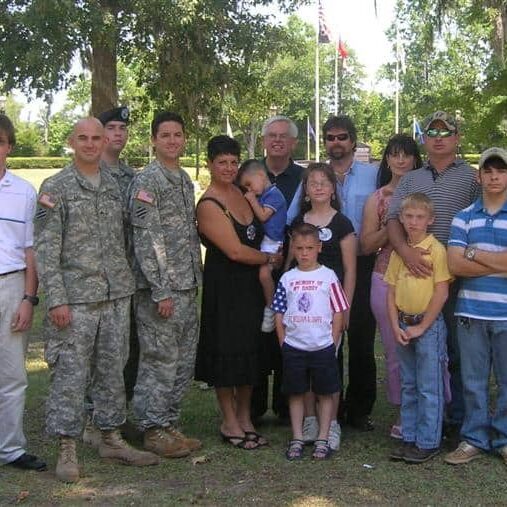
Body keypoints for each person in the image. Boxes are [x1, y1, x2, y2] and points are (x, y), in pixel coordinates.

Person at [34, 118, 159, 483]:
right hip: (75, 301)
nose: (90, 144)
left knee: (111, 372)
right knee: (70, 376)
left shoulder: (116, 187)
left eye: (96, 138)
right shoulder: (55, 187)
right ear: (72, 142)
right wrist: (56, 299)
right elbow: (45, 249)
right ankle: (67, 447)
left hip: (116, 296)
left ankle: (110, 437)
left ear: (105, 141)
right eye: (83, 138)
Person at [387, 111, 479, 433]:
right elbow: (392, 220)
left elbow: (481, 220)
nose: (438, 137)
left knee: (454, 349)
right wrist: (406, 252)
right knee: (416, 350)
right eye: (432, 132)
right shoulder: (411, 178)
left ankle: (455, 419)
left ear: (457, 138)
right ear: (425, 139)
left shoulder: (471, 177)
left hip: (454, 277)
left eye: (446, 131)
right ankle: (423, 418)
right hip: (413, 276)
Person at [288, 115, 378, 430]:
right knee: (326, 340)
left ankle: (359, 409)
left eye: (342, 137)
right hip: (315, 271)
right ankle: (331, 414)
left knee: (362, 340)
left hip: (360, 264)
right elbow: (293, 223)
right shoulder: (315, 179)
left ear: (353, 140)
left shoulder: (373, 173)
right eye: (331, 137)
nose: (336, 142)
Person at [195, 135, 280, 449]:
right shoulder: (209, 203)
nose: (228, 168)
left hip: (252, 288)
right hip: (226, 288)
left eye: (233, 162)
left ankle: (245, 416)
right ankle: (228, 420)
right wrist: (270, 258)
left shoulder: (245, 195)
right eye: (222, 162)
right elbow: (235, 251)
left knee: (251, 353)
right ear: (210, 164)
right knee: (227, 353)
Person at [129, 111, 202, 458]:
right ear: (154, 141)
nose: (172, 140)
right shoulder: (148, 181)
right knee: (159, 359)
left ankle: (169, 423)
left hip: (187, 285)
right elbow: (146, 239)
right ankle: (152, 428)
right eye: (165, 135)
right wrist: (160, 289)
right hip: (162, 291)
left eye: (178, 134)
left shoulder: (184, 180)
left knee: (182, 360)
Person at [445, 148, 507, 466]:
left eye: (501, 170)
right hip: (471, 312)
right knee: (473, 380)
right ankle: (474, 438)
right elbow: (454, 264)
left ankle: (504, 439)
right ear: (479, 175)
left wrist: (474, 254)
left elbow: (465, 257)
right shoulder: (464, 216)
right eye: (489, 170)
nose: (494, 176)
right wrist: (499, 263)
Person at [288, 162, 356, 451]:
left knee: (329, 365)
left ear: (333, 188)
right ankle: (310, 421)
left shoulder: (342, 223)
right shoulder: (298, 223)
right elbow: (289, 266)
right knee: (303, 366)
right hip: (302, 313)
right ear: (305, 189)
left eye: (323, 182)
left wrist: (347, 308)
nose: (318, 186)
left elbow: (350, 271)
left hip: (331, 311)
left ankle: (332, 425)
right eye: (312, 182)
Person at [360, 134, 423, 439]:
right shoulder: (378, 198)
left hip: (423, 278)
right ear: (386, 160)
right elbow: (367, 243)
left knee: (430, 349)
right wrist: (393, 224)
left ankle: (436, 408)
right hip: (385, 279)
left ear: (415, 159)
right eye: (394, 155)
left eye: (406, 155)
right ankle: (403, 411)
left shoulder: (425, 195)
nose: (400, 160)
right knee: (395, 350)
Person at [83, 106, 137, 449]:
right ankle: (91, 421)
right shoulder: (85, 174)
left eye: (122, 128)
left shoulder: (131, 177)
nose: (117, 134)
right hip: (90, 282)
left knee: (122, 352)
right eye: (111, 128)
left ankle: (114, 417)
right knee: (93, 354)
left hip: (125, 280)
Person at [272, 223, 349, 460]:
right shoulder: (288, 278)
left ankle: (323, 437)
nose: (304, 253)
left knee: (325, 392)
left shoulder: (328, 276)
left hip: (322, 346)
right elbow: (279, 312)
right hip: (294, 346)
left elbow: (338, 310)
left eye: (309, 248)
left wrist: (333, 341)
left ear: (319, 247)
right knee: (296, 392)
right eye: (299, 248)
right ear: (293, 249)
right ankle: (297, 435)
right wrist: (283, 341)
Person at [386, 193, 452, 464]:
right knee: (409, 384)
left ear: (430, 220)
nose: (413, 222)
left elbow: (441, 292)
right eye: (409, 217)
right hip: (403, 324)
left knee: (429, 385)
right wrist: (395, 326)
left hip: (428, 326)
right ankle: (409, 437)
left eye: (419, 217)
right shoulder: (399, 254)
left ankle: (428, 441)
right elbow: (390, 293)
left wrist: (423, 326)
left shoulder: (436, 250)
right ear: (401, 219)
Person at [0, 114, 46, 472]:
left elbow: (32, 251)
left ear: (10, 147)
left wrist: (29, 299)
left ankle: (10, 449)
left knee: (12, 374)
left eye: (0, 142)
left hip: (11, 286)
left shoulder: (24, 192)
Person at [252, 115, 304, 422]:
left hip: (292, 267)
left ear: (294, 143)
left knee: (290, 333)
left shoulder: (303, 178)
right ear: (263, 141)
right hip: (254, 263)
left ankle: (287, 407)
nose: (277, 140)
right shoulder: (250, 173)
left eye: (284, 136)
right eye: (271, 135)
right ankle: (255, 406)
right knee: (258, 335)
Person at [238, 159, 287, 332]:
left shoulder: (274, 195)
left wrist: (251, 200)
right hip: (264, 241)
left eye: (249, 184)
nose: (249, 190)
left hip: (273, 241)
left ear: (260, 175)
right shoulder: (264, 195)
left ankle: (271, 307)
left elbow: (264, 216)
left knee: (264, 274)